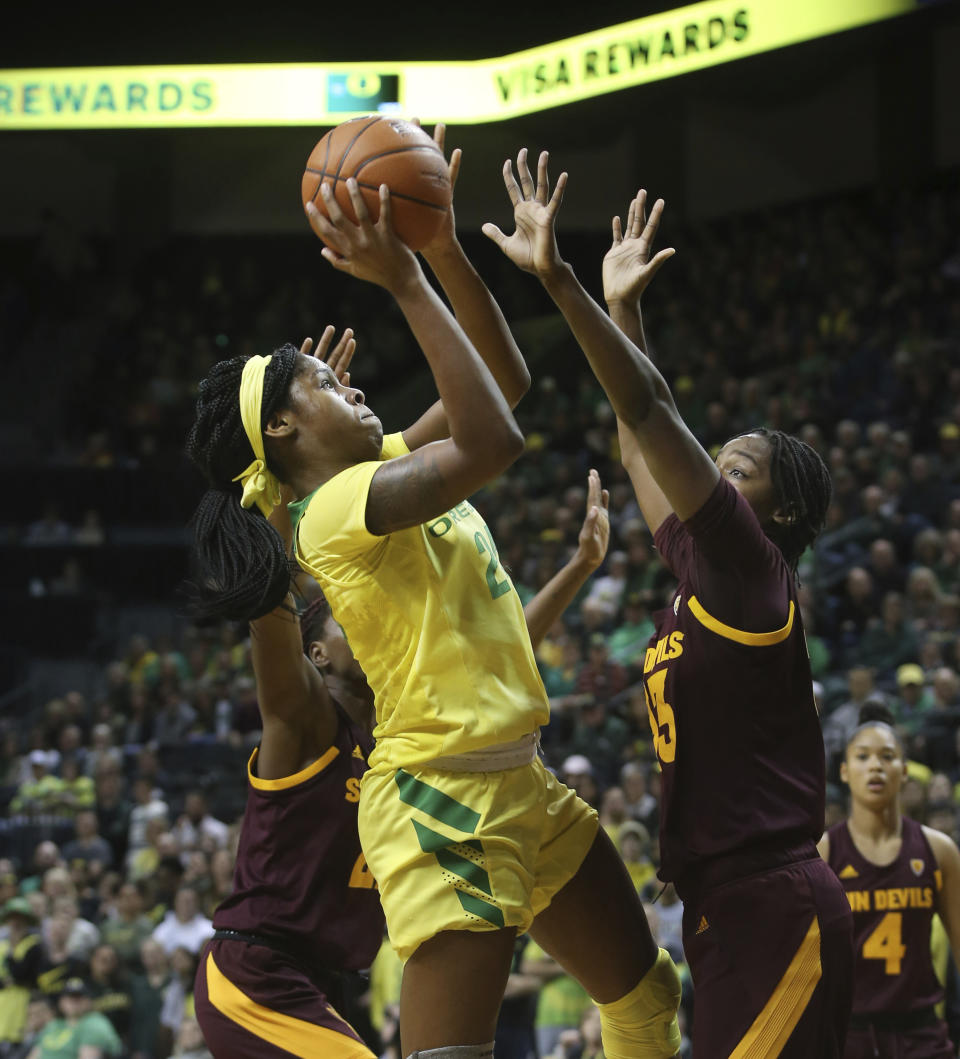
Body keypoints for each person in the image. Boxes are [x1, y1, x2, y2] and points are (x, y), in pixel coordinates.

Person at [185, 126, 680, 1059]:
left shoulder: (383, 463)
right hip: (440, 795)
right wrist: (406, 281)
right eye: (329, 382)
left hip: (520, 775)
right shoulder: (331, 509)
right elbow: (496, 443)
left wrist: (444, 249)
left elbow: (509, 381)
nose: (354, 385)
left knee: (647, 996)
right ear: (287, 428)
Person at [484, 149, 852, 1055]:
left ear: (783, 506)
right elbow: (640, 442)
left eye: (738, 466)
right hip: (724, 909)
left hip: (775, 906)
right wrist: (625, 310)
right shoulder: (709, 573)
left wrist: (565, 283)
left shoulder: (749, 566)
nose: (716, 468)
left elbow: (650, 410)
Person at [819, 706, 960, 1058]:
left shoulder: (939, 850)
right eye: (863, 756)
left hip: (921, 1033)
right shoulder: (824, 853)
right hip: (847, 1035)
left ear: (905, 771)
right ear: (845, 771)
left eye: (887, 756)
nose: (876, 765)